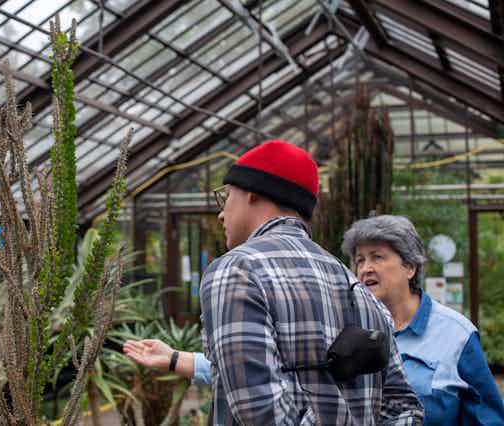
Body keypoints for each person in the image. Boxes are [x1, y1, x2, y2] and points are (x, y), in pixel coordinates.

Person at [125, 140, 423, 425]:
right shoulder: (356, 288)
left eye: (226, 196)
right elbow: (403, 406)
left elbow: (258, 409)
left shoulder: (236, 271)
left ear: (253, 193)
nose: (220, 213)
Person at [341, 214, 504, 425]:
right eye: (360, 260)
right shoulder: (348, 330)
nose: (365, 269)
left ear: (410, 267)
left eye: (377, 257)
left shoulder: (457, 335)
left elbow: (489, 420)